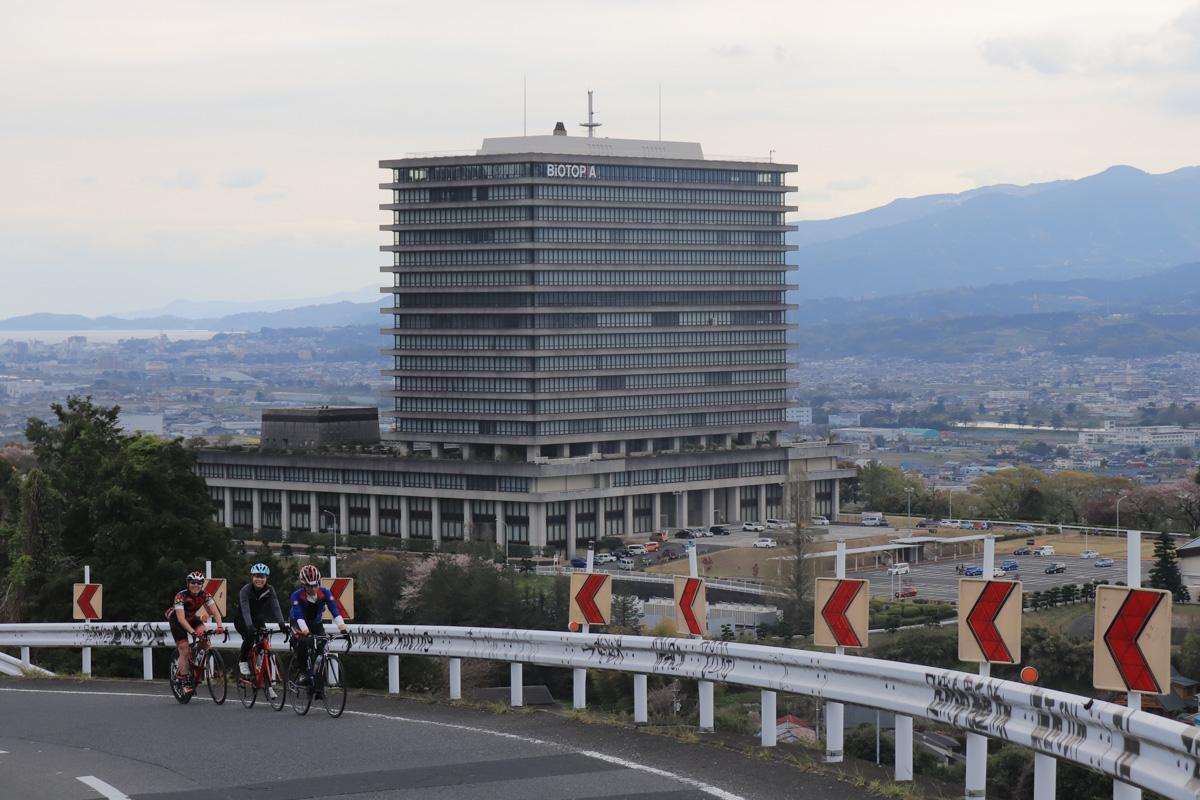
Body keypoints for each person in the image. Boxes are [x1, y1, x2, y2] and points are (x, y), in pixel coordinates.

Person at [289, 565, 348, 691]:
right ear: (304, 585)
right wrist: (307, 633)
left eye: (316, 584)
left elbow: (335, 612)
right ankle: (302, 672)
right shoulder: (296, 595)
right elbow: (299, 617)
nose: (314, 588)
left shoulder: (325, 593)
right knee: (303, 641)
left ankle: (317, 679)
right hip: (298, 622)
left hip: (316, 622)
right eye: (310, 586)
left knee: (322, 646)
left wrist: (343, 630)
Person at [166, 571, 225, 694]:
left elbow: (215, 612)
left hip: (192, 618)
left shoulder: (205, 595)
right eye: (193, 582)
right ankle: (184, 681)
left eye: (199, 583)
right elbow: (181, 619)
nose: (196, 585)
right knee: (185, 649)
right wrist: (192, 632)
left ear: (202, 585)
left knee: (204, 635)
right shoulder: (180, 596)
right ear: (188, 584)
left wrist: (220, 626)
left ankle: (198, 659)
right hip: (177, 621)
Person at [234, 563, 289, 681]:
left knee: (264, 644)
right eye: (256, 576)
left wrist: (282, 624)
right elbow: (246, 610)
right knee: (250, 636)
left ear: (266, 578)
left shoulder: (270, 589)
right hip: (242, 619)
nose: (259, 579)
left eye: (262, 577)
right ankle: (243, 661)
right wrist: (250, 626)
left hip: (257, 619)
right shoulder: (246, 590)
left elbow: (276, 607)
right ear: (252, 577)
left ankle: (261, 670)